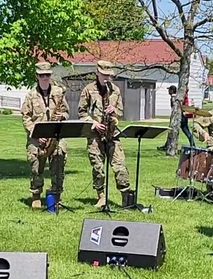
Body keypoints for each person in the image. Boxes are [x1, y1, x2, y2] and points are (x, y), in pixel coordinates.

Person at [78, 60, 133, 209]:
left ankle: (125, 197)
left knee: (120, 166)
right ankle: (101, 196)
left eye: (109, 75)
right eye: (104, 75)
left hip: (112, 134)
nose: (106, 78)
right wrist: (93, 123)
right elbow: (81, 113)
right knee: (98, 167)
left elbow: (121, 112)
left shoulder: (115, 90)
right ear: (97, 73)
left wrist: (113, 111)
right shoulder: (88, 90)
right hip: (95, 135)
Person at [21, 61, 69, 209]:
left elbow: (67, 112)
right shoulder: (31, 95)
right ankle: (36, 195)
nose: (45, 78)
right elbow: (25, 117)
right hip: (37, 137)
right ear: (37, 76)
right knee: (36, 165)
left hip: (55, 136)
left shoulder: (58, 93)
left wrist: (63, 116)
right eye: (42, 75)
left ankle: (56, 196)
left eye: (47, 75)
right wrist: (35, 134)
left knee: (59, 161)